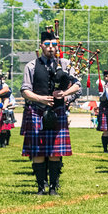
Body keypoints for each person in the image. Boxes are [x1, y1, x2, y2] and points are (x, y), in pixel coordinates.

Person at [20, 30, 81, 196]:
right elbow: (25, 91)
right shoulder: (31, 66)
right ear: (41, 46)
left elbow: (77, 85)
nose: (51, 48)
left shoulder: (65, 63)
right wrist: (41, 99)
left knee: (55, 153)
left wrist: (65, 94)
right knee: (38, 153)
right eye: (47, 45)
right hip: (37, 111)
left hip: (57, 111)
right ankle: (40, 187)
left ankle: (53, 187)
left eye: (54, 45)